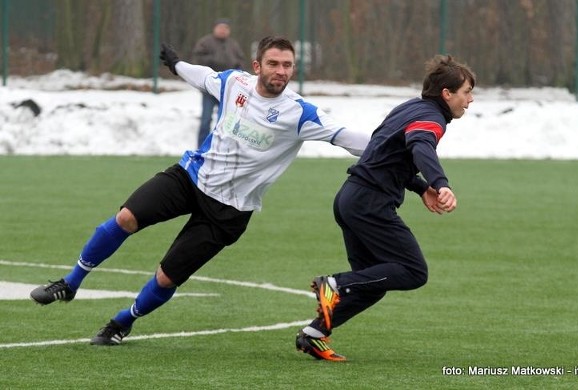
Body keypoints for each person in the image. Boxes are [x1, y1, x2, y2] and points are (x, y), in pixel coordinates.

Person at [29, 36, 370, 346]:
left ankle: (122, 322)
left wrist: (393, 148)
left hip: (229, 213)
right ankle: (70, 283)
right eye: (273, 63)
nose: (280, 71)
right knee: (126, 217)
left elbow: (346, 138)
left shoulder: (300, 113)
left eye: (287, 65)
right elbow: (203, 75)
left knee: (165, 279)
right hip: (190, 177)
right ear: (257, 67)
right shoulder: (235, 82)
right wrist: (177, 64)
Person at [295, 54, 475, 361]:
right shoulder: (430, 120)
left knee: (373, 282)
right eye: (467, 93)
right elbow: (420, 147)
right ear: (447, 93)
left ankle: (314, 334)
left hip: (350, 198)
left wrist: (421, 187)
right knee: (413, 271)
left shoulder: (409, 108)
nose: (469, 101)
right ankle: (334, 284)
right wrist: (440, 183)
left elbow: (386, 152)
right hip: (370, 204)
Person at [192, 18, 246, 146]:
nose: (223, 30)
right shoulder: (205, 42)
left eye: (225, 28)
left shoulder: (233, 45)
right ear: (214, 28)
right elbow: (196, 60)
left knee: (226, 121)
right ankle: (201, 148)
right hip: (209, 89)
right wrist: (215, 61)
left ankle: (221, 148)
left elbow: (241, 62)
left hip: (227, 90)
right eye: (220, 27)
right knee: (206, 120)